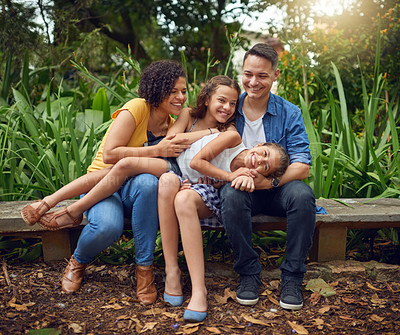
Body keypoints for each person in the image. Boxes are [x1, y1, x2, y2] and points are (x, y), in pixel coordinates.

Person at [21, 60, 194, 305]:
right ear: (157, 88)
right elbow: (110, 155)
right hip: (104, 185)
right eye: (173, 90)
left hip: (136, 191)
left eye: (184, 91)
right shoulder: (137, 108)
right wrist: (157, 151)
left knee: (147, 183)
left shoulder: (171, 124)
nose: (180, 97)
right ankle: (78, 261)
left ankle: (144, 271)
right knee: (107, 227)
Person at [218, 43, 316, 311]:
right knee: (230, 194)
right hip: (240, 187)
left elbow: (302, 165)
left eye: (262, 75)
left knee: (302, 194)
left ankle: (293, 277)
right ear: (242, 72)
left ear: (275, 75)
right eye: (248, 74)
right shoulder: (228, 108)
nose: (253, 82)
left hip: (276, 190)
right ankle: (249, 273)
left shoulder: (289, 112)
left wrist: (269, 182)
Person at [159, 130, 289, 322]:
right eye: (265, 154)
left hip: (210, 194)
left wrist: (233, 179)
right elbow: (197, 163)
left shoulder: (250, 174)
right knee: (180, 195)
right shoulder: (233, 139)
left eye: (265, 166)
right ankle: (173, 273)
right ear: (259, 145)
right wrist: (228, 177)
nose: (260, 161)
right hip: (192, 179)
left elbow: (223, 182)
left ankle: (199, 290)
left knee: (184, 199)